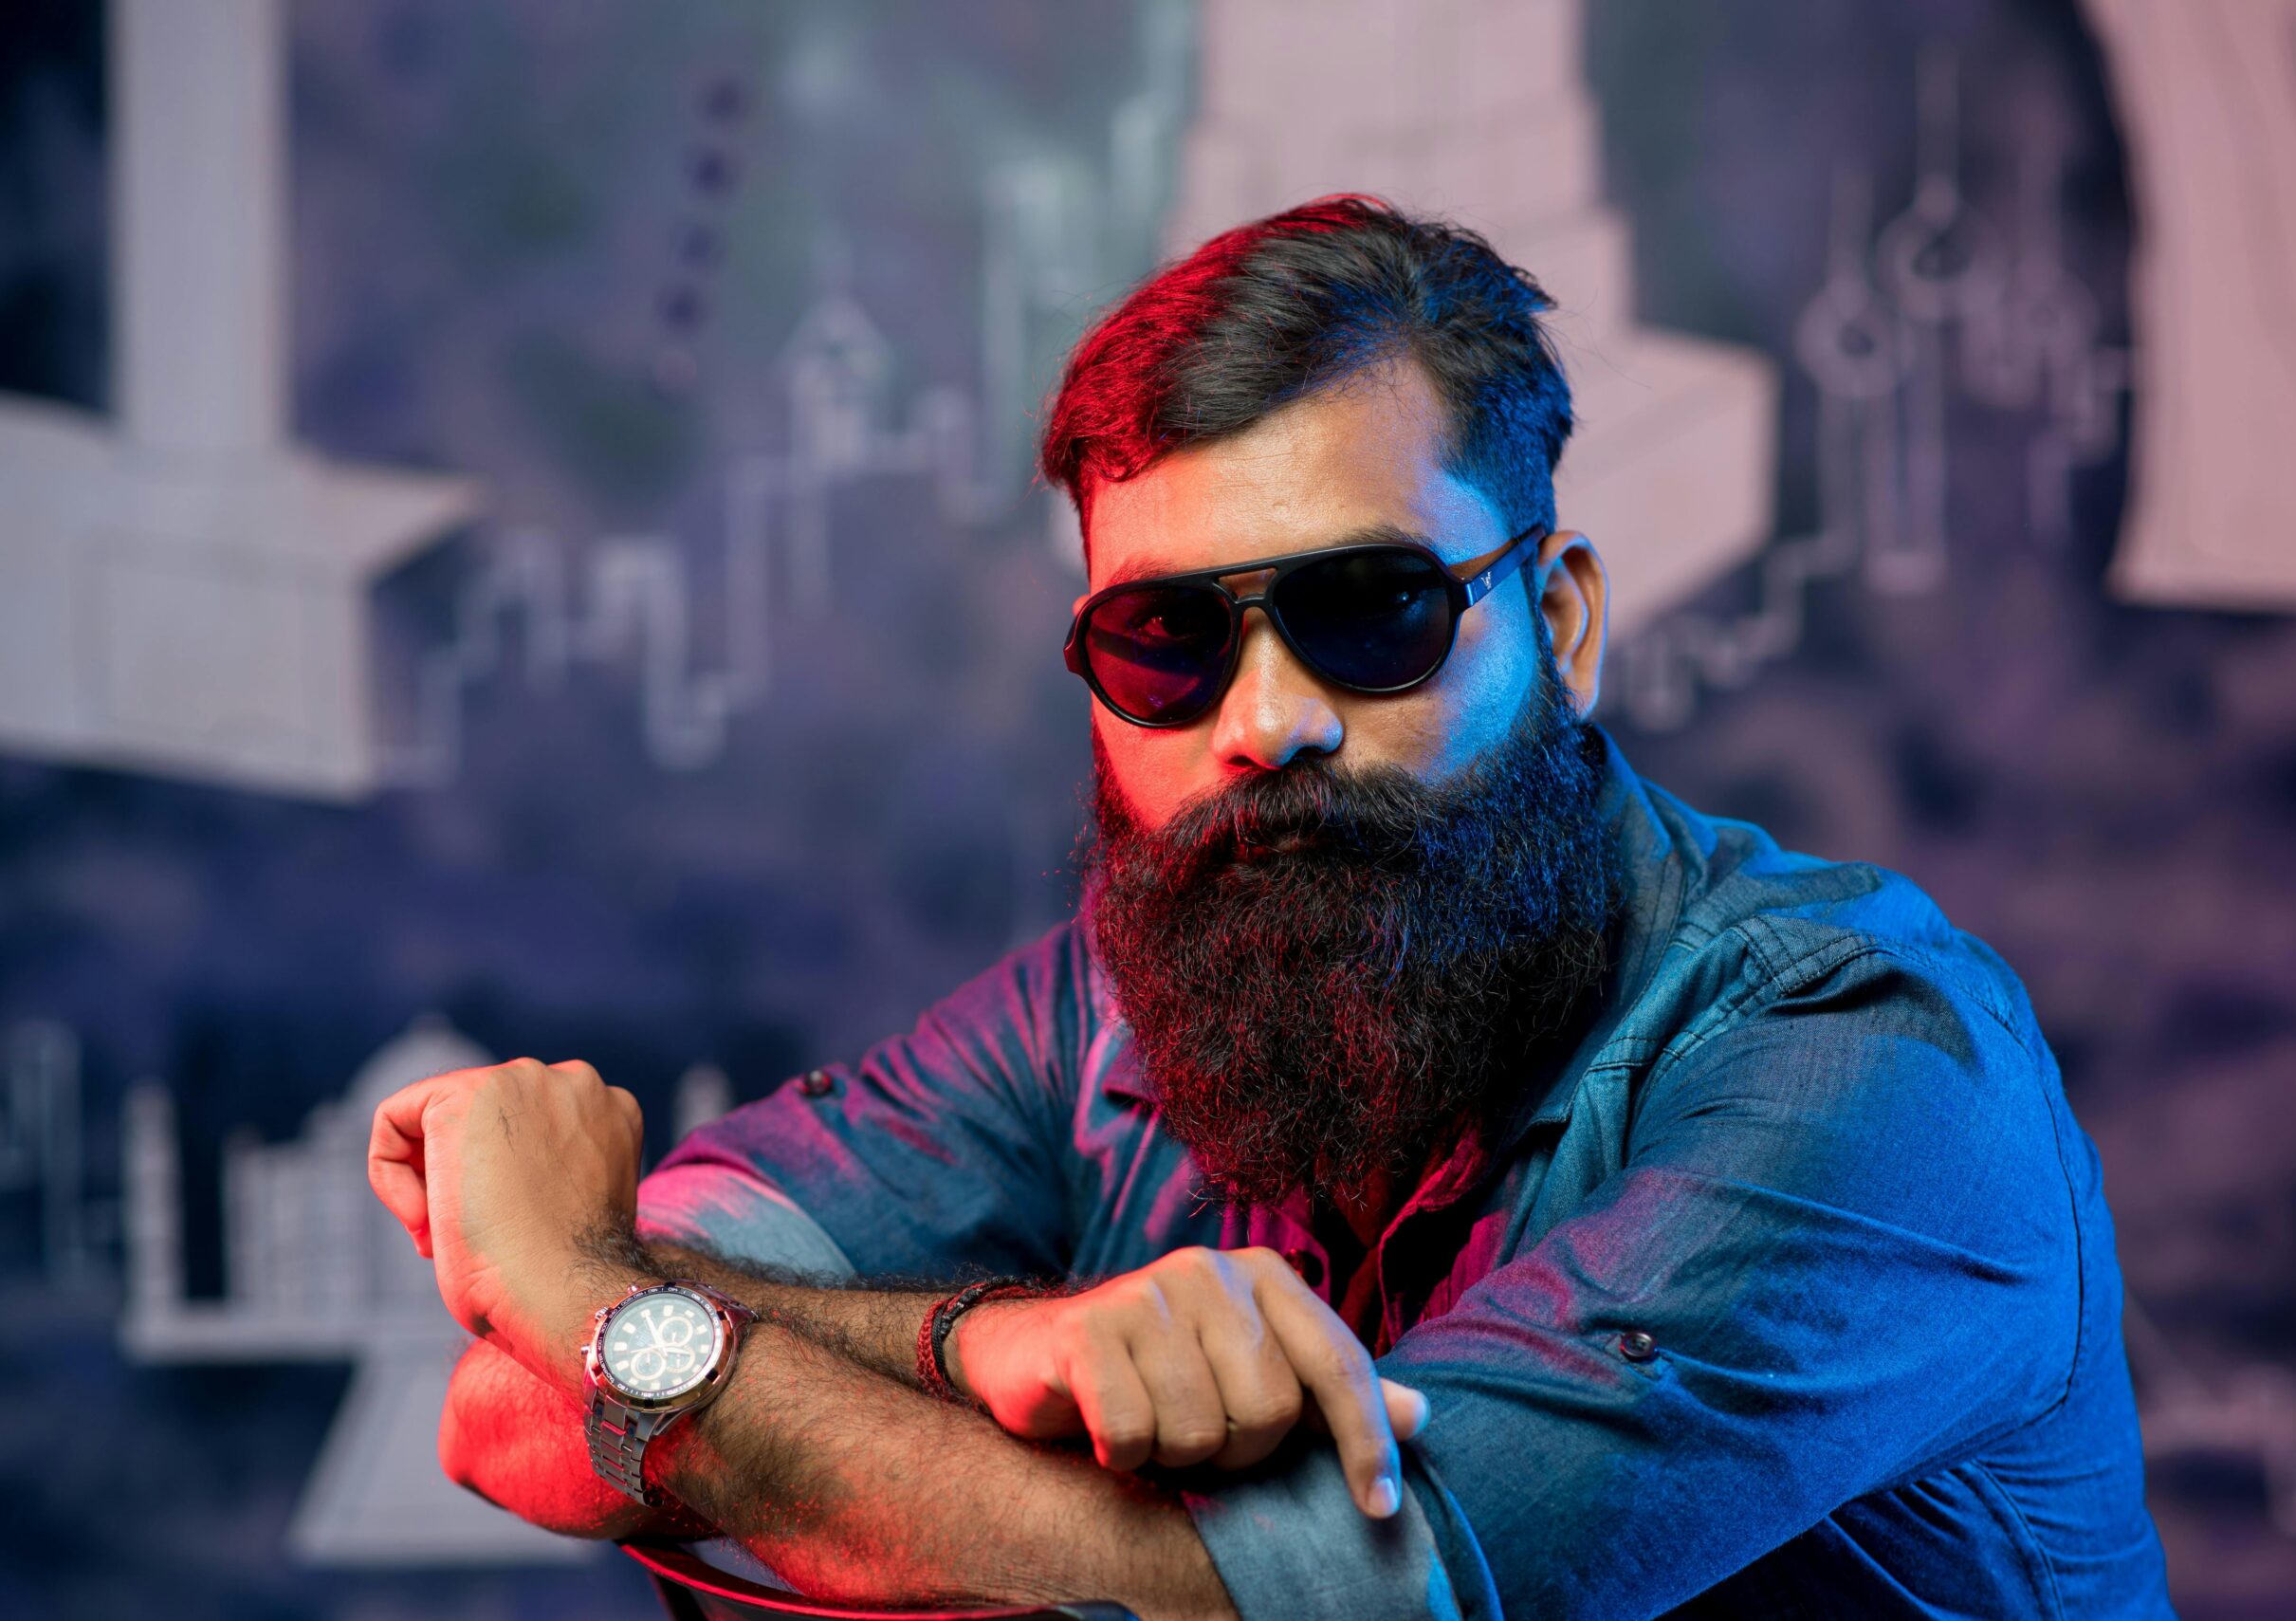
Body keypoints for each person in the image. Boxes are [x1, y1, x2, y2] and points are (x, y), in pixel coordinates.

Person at [368, 196, 2175, 1619]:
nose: (1265, 721)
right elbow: (504, 1404)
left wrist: (572, 1286)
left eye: (1373, 609)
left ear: (1560, 624)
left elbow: (1317, 1601)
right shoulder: (1109, 1010)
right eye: (1163, 641)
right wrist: (987, 1342)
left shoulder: (1868, 1069)